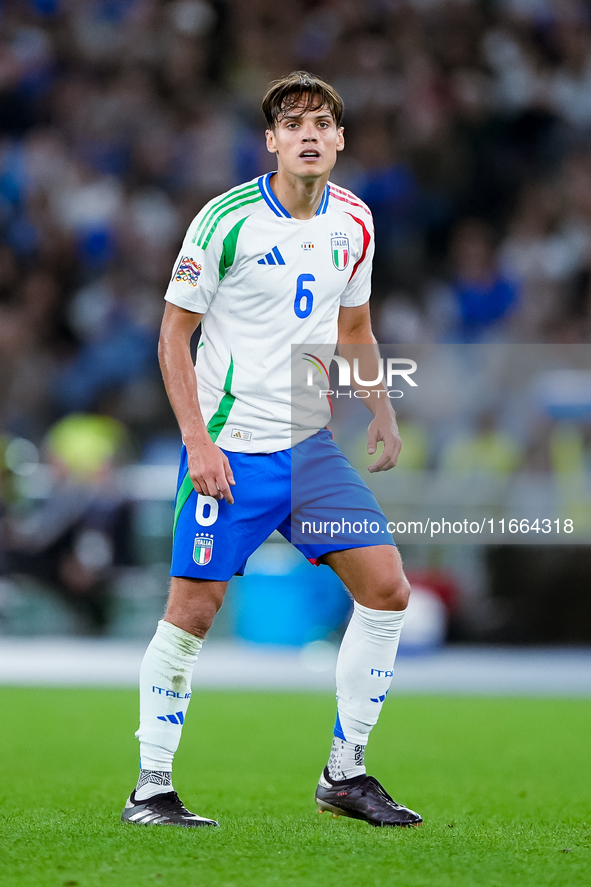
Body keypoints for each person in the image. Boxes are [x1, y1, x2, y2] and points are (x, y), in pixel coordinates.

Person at [121, 71, 422, 829]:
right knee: (192, 610)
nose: (309, 133)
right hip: (231, 450)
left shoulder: (354, 220)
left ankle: (344, 774)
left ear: (340, 138)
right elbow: (172, 334)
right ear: (272, 141)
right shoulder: (225, 221)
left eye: (321, 121)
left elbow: (352, 327)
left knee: (386, 588)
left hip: (310, 449)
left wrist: (380, 409)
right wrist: (196, 441)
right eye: (293, 124)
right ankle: (149, 786)